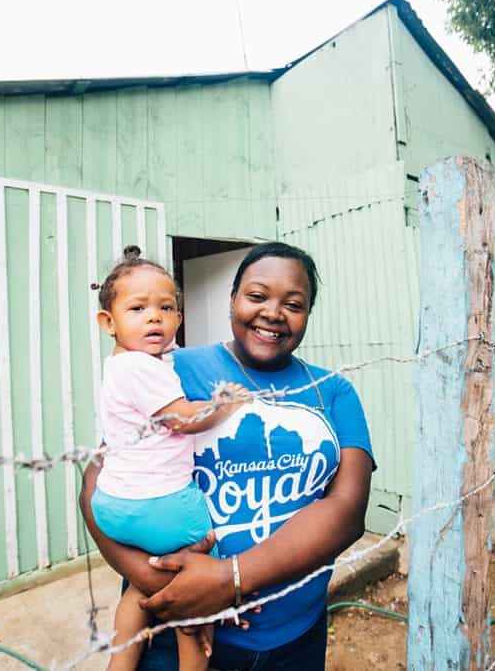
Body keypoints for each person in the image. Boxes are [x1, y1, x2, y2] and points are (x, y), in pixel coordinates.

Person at [81, 242, 376, 670]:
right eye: (257, 296)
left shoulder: (332, 390)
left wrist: (229, 577)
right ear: (233, 299)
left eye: (294, 304)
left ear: (308, 313)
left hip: (294, 637)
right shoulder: (169, 367)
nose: (273, 313)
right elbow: (99, 478)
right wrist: (157, 583)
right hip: (174, 628)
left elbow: (347, 511)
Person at [90, 245, 248, 671]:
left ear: (178, 317)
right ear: (109, 322)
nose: (154, 317)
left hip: (115, 503)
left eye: (165, 307)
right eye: (138, 308)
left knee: (138, 592)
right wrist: (226, 403)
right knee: (201, 577)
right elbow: (183, 419)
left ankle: (120, 662)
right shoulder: (140, 368)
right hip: (161, 507)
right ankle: (197, 644)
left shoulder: (125, 365)